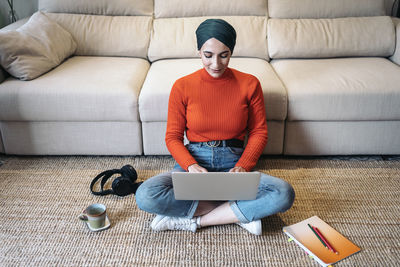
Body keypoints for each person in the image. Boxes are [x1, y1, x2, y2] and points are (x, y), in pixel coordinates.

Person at [135, 19, 295, 235]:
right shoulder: (182, 86)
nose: (216, 64)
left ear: (232, 51)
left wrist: (243, 166)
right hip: (194, 161)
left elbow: (258, 132)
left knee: (283, 193)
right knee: (145, 195)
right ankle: (238, 213)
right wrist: (190, 165)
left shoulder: (250, 83)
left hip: (234, 161)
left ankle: (195, 221)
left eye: (224, 55)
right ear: (198, 51)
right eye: (208, 55)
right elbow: (172, 137)